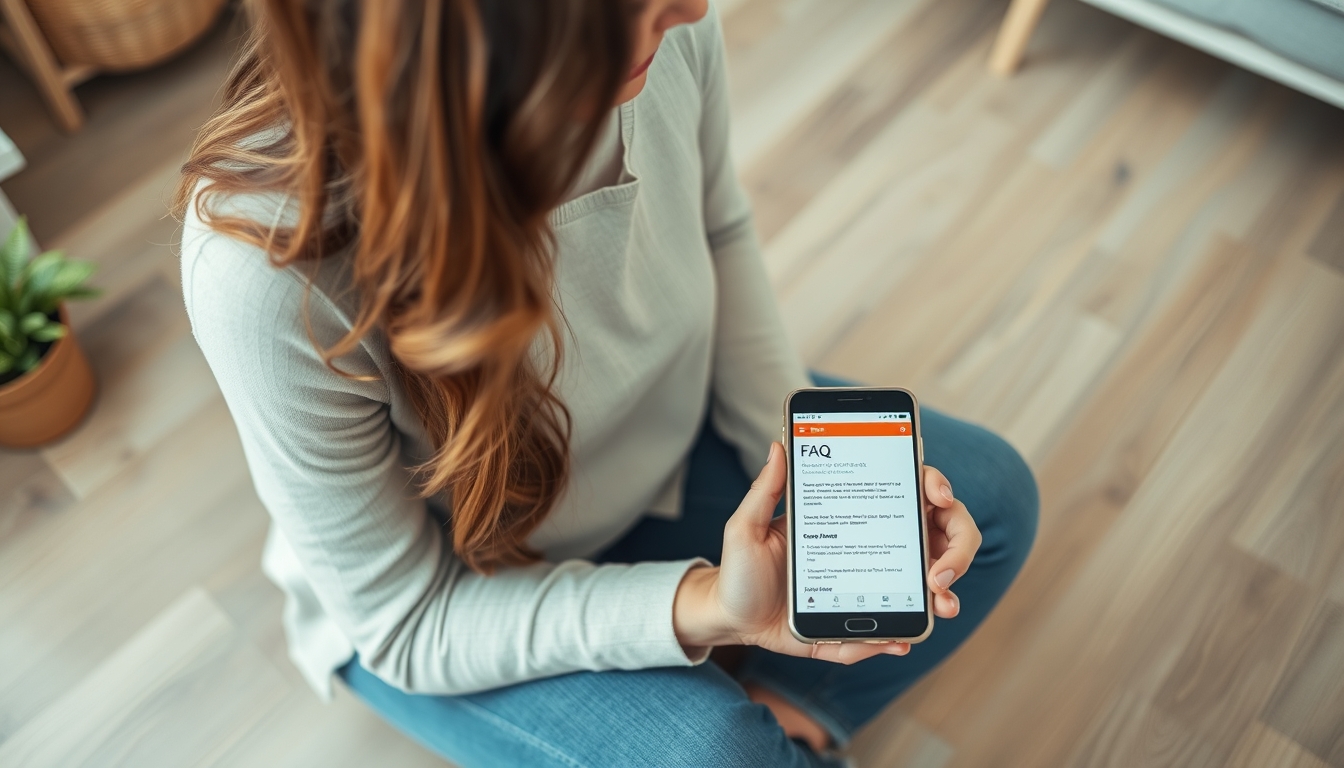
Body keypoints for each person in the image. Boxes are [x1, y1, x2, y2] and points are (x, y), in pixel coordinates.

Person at [176, 0, 1039, 765]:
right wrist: (709, 606)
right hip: (461, 590)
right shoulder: (263, 272)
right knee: (718, 754)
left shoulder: (657, 42)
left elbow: (722, 229)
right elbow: (407, 622)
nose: (693, 12)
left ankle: (799, 719)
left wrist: (811, 480)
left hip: (658, 448)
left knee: (989, 496)